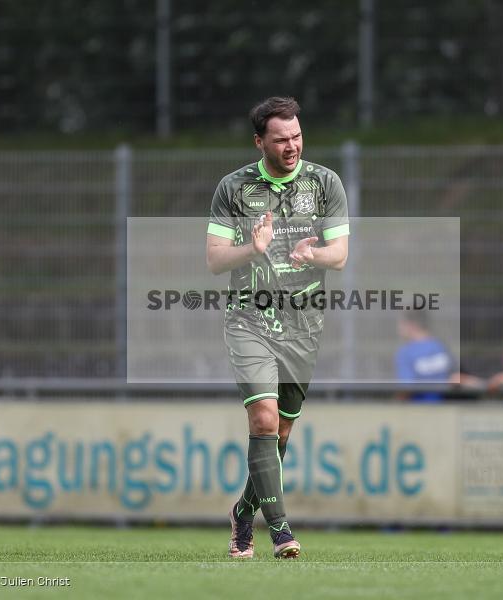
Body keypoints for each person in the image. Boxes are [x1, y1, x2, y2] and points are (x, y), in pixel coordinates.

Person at [206, 97, 349, 559]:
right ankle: (281, 531)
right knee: (263, 420)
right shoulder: (233, 187)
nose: (291, 146)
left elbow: (339, 255)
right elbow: (214, 260)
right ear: (259, 142)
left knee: (280, 435)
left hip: (304, 324)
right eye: (281, 139)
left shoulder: (325, 183)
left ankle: (243, 513)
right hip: (249, 318)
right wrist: (251, 248)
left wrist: (313, 255)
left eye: (297, 137)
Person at [395, 309, 453, 402]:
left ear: (411, 325)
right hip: (443, 409)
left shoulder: (406, 352)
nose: (399, 328)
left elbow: (406, 388)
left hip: (417, 411)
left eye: (402, 324)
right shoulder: (441, 347)